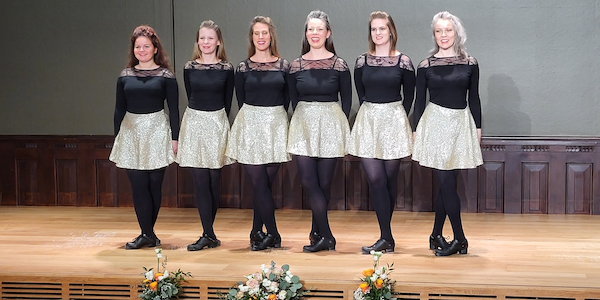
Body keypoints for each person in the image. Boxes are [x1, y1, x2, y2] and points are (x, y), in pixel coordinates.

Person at [412, 11, 483, 256]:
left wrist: (478, 129)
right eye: (439, 31)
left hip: (460, 125)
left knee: (447, 185)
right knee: (446, 182)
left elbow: (474, 98)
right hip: (435, 125)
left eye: (448, 30)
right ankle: (460, 239)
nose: (444, 35)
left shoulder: (470, 63)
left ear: (457, 33)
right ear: (434, 35)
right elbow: (419, 103)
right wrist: (414, 132)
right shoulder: (425, 65)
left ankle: (435, 235)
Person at [348, 11, 415, 254]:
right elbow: (361, 93)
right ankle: (386, 237)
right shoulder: (361, 61)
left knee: (388, 181)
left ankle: (386, 237)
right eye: (374, 29)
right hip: (369, 121)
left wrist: (396, 118)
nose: (378, 33)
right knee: (375, 180)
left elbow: (410, 97)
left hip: (394, 121)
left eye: (382, 29)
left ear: (391, 31)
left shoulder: (404, 62)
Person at [109, 25, 179, 250]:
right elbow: (118, 109)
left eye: (146, 46)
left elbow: (175, 110)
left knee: (154, 184)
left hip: (157, 130)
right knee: (138, 185)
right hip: (131, 132)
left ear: (155, 48)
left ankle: (148, 233)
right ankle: (146, 233)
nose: (142, 50)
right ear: (134, 49)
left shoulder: (166, 76)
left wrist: (175, 138)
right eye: (138, 46)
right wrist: (117, 137)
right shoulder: (125, 76)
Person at [287, 10, 352, 253]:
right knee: (308, 181)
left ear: (328, 33)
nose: (315, 33)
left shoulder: (339, 64)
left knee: (324, 184)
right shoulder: (296, 65)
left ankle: (317, 233)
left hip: (331, 124)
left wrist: (337, 126)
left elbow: (347, 101)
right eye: (310, 29)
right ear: (306, 33)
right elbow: (293, 100)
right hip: (303, 124)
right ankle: (327, 235)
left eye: (319, 29)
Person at [226, 16, 290, 251]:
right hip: (250, 124)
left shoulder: (284, 65)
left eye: (264, 33)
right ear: (251, 37)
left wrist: (274, 118)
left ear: (271, 35)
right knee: (258, 182)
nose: (261, 37)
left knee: (263, 186)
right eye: (256, 33)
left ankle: (256, 231)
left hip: (274, 125)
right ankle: (273, 233)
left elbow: (287, 99)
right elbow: (241, 99)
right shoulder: (243, 67)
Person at [176, 20, 234, 251]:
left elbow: (229, 102)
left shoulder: (227, 69)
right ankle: (207, 234)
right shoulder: (189, 67)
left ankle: (209, 234)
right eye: (202, 38)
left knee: (213, 181)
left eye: (210, 38)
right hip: (194, 122)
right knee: (200, 181)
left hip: (217, 123)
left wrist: (220, 125)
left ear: (218, 41)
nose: (206, 42)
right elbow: (190, 94)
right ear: (197, 41)